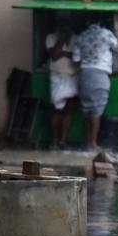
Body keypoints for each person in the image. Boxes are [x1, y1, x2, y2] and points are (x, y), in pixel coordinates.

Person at [75, 20, 117, 151]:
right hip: (100, 74)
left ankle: (88, 141)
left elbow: (75, 58)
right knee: (96, 110)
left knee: (86, 109)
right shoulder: (106, 34)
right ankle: (93, 143)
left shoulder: (81, 36)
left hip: (84, 74)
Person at [46, 18, 81, 149]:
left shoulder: (76, 38)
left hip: (72, 76)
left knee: (68, 110)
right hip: (57, 76)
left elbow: (76, 57)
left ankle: (63, 140)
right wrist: (61, 40)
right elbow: (54, 55)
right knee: (57, 110)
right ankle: (54, 140)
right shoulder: (51, 37)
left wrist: (64, 53)